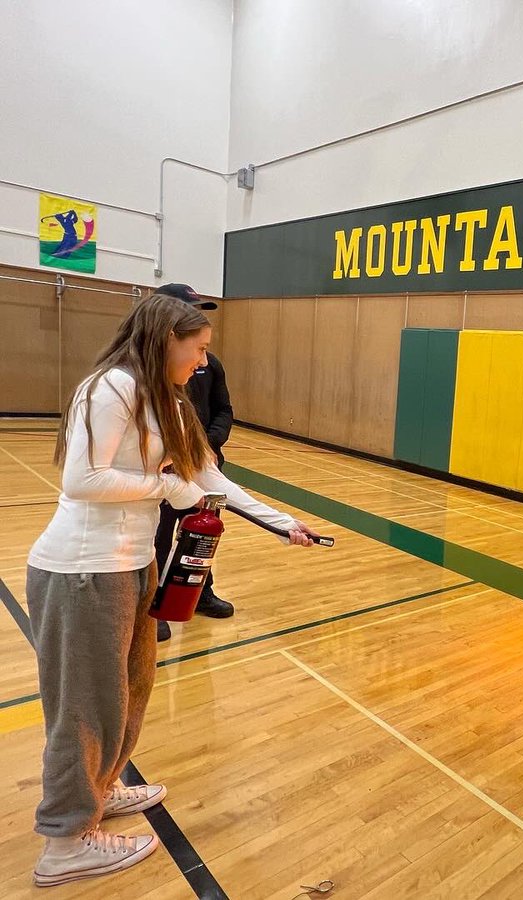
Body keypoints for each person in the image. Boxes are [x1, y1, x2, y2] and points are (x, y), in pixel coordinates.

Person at [25, 293, 318, 887]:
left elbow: (209, 478)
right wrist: (165, 489)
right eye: (199, 349)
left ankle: (100, 787)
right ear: (166, 340)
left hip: (135, 567)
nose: (205, 362)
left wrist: (284, 522)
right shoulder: (112, 388)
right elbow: (82, 479)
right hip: (83, 571)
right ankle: (64, 842)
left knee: (129, 691)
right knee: (86, 705)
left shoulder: (171, 402)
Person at [152, 283, 234, 642]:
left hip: (205, 465)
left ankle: (201, 592)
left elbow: (224, 410)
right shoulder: (152, 375)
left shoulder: (209, 365)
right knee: (159, 537)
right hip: (167, 472)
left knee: (201, 535)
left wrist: (208, 444)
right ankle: (154, 603)